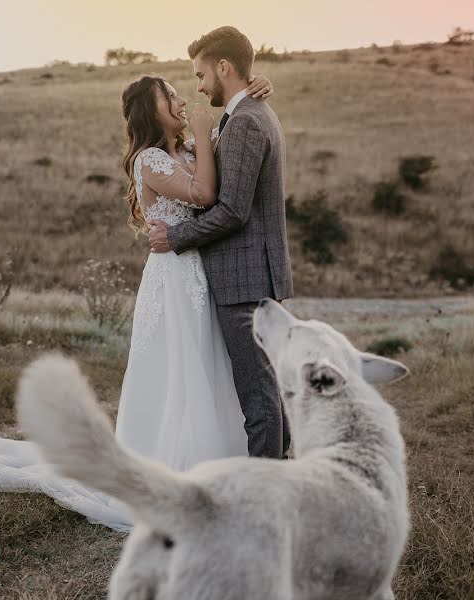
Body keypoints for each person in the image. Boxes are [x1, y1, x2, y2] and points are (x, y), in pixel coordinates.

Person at [0, 68, 277, 532]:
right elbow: (204, 193)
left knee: (206, 364)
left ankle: (223, 461)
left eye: (181, 92)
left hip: (198, 270)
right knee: (178, 367)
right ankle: (172, 465)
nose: (182, 98)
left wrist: (251, 93)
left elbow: (225, 153)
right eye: (171, 96)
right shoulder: (150, 161)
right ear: (149, 112)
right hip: (174, 277)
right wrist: (201, 132)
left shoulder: (190, 148)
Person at [149, 26, 294, 459]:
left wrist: (175, 236)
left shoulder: (247, 121)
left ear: (224, 67)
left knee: (257, 393)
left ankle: (263, 493)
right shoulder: (248, 113)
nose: (198, 86)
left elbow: (233, 211)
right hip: (251, 274)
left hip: (244, 277)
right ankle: (280, 476)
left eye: (200, 75)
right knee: (264, 385)